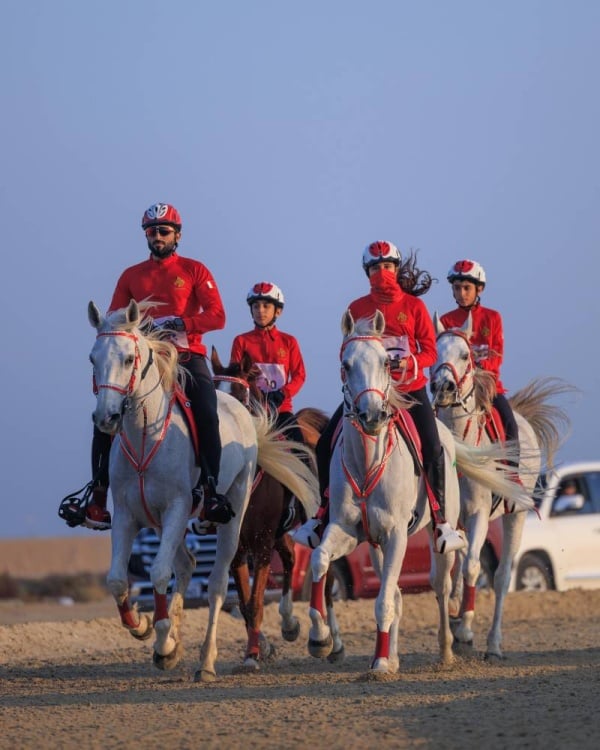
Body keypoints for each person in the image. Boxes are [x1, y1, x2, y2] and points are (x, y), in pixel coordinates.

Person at [66, 202, 234, 531]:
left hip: (185, 356)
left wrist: (182, 321)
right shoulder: (131, 275)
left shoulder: (194, 270)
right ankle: (98, 498)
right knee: (105, 413)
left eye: (163, 231)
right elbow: (115, 322)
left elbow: (218, 316)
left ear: (177, 235)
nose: (157, 236)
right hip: (142, 360)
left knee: (205, 407)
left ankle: (211, 491)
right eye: (151, 231)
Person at [293, 241, 465, 554]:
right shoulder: (356, 307)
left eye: (386, 267)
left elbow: (429, 351)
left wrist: (408, 362)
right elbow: (345, 350)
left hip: (409, 392)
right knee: (325, 442)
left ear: (396, 269)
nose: (381, 273)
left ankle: (441, 522)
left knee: (432, 446)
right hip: (369, 395)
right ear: (367, 272)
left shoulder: (414, 306)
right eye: (374, 268)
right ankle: (321, 516)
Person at [440, 259, 522, 488]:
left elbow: (497, 355)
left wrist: (481, 374)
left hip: (487, 387)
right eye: (457, 288)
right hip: (455, 388)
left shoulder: (492, 317)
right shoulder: (446, 321)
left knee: (509, 424)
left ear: (479, 289)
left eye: (467, 288)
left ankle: (512, 476)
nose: (462, 293)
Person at [229, 282, 306, 445]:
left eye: (266, 306)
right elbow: (235, 376)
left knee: (301, 449)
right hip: (250, 411)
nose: (260, 311)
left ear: (278, 311)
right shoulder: (241, 341)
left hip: (280, 411)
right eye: (256, 306)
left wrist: (282, 393)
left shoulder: (289, 341)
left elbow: (299, 376)